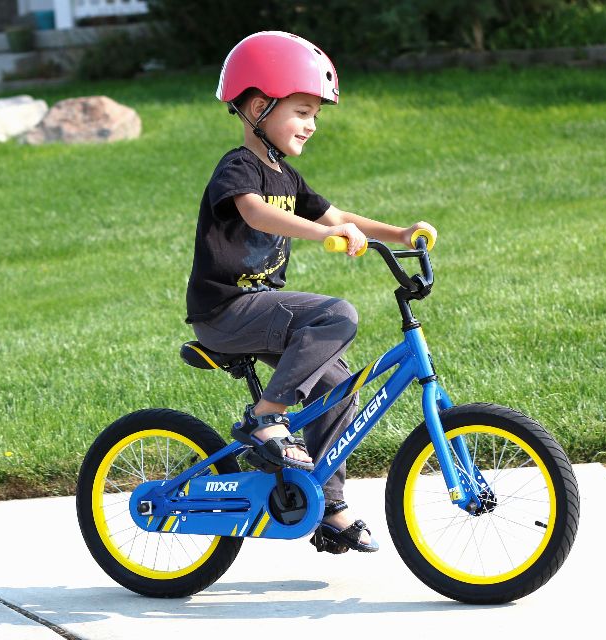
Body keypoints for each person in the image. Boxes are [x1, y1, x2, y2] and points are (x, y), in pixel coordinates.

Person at [185, 31, 436, 554]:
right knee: (336, 315)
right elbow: (254, 210)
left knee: (339, 385)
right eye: (302, 111)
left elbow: (338, 216)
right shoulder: (239, 167)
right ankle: (265, 419)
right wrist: (322, 235)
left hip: (261, 311)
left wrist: (398, 233)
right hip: (226, 311)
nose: (312, 124)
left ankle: (329, 506)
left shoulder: (288, 175)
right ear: (259, 106)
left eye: (315, 114)